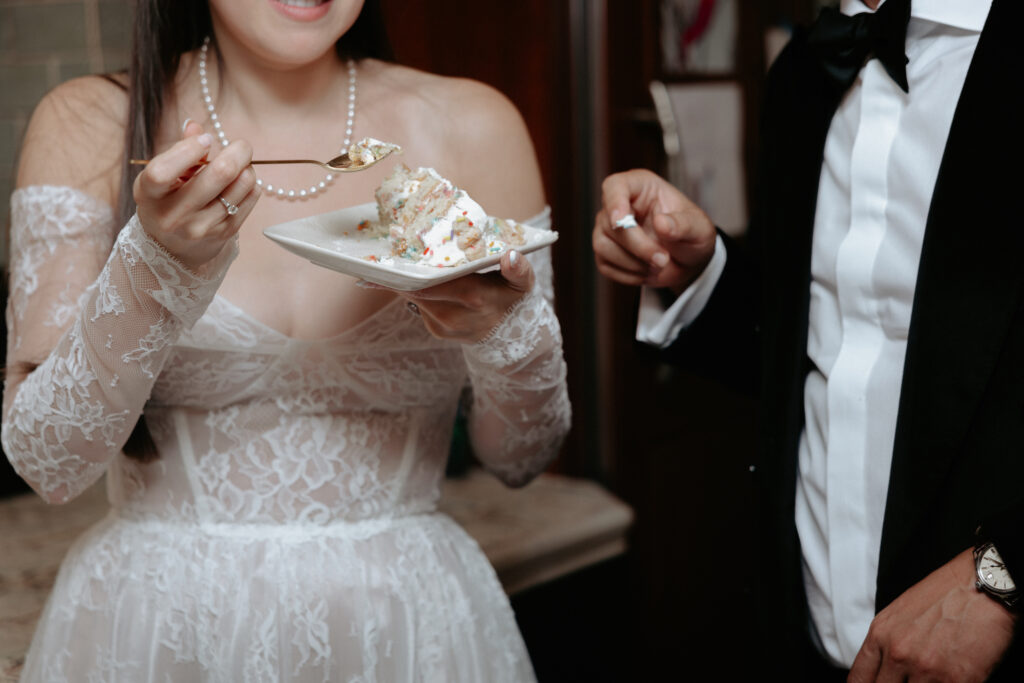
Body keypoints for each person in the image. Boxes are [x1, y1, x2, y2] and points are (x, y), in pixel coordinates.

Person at [3, 0, 570, 679]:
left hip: (409, 630)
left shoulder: (477, 127)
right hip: (158, 629)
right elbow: (49, 464)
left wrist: (506, 333)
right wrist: (153, 269)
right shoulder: (89, 124)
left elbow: (523, 458)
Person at [593, 0, 1023, 680]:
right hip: (805, 643)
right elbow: (815, 342)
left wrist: (1005, 573)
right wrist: (701, 270)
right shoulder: (802, 72)